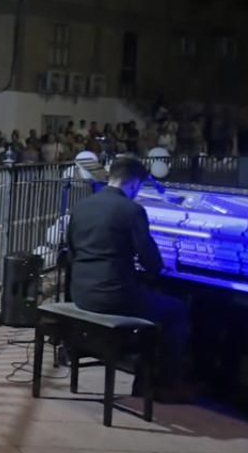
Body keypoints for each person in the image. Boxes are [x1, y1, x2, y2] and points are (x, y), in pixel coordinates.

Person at [66, 155, 191, 399]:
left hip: (81, 293)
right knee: (176, 310)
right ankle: (164, 383)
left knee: (153, 301)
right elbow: (151, 263)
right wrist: (164, 266)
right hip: (114, 298)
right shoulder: (132, 210)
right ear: (134, 184)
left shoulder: (83, 206)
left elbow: (72, 251)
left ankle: (144, 375)